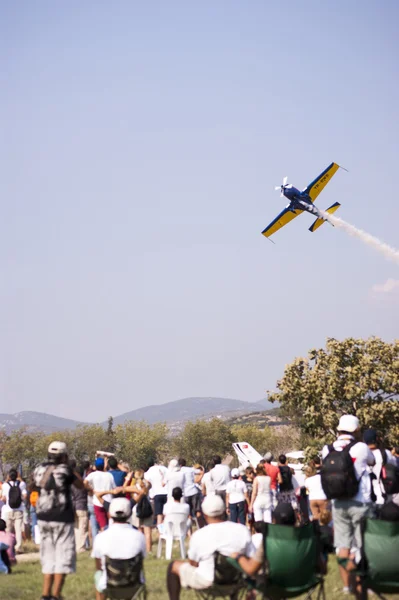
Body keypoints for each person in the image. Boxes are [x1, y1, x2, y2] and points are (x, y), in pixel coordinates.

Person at [322, 415, 375, 595]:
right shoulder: (361, 447)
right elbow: (372, 462)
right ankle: (361, 583)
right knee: (363, 546)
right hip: (360, 501)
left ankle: (346, 586)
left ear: (338, 430)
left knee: (342, 545)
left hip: (337, 503)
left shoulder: (327, 449)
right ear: (356, 430)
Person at [166, 494, 253, 599]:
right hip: (237, 581)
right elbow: (251, 558)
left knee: (174, 566)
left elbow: (193, 563)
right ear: (224, 510)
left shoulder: (199, 535)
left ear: (204, 514)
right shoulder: (242, 530)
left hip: (207, 581)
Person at [34, 440, 84, 600]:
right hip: (62, 517)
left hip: (43, 517)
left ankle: (45, 594)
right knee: (62, 556)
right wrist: (69, 466)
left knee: (48, 556)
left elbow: (34, 486)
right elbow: (80, 485)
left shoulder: (39, 469)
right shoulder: (65, 470)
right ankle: (56, 595)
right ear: (64, 456)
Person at [92, 497, 146, 600]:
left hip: (110, 584)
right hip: (134, 584)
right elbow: (141, 562)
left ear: (109, 514)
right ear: (129, 514)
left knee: (98, 574)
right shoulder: (139, 536)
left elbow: (99, 566)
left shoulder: (101, 537)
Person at [123, 469, 153, 554]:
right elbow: (149, 483)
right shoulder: (147, 485)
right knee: (148, 532)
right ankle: (149, 550)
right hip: (147, 509)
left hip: (137, 510)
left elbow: (123, 488)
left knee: (139, 531)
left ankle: (140, 549)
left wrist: (128, 479)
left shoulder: (134, 487)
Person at [363, 429, 397, 505]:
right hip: (385, 496)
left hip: (366, 498)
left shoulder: (362, 455)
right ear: (377, 439)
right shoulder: (386, 453)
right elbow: (395, 465)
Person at [84, 458, 115, 531]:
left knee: (102, 526)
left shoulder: (93, 475)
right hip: (108, 501)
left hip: (97, 502)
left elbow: (85, 482)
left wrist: (92, 490)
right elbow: (114, 487)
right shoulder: (109, 475)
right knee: (110, 525)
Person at [0, 469, 27, 554]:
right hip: (19, 510)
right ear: (17, 476)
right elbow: (25, 496)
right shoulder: (22, 484)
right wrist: (20, 499)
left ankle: (8, 547)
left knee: (8, 530)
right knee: (18, 529)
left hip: (8, 510)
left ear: (9, 476)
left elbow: (4, 498)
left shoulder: (5, 485)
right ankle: (18, 547)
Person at [70, 461, 89, 553]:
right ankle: (81, 547)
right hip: (82, 506)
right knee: (83, 527)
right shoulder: (83, 484)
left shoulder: (72, 484)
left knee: (76, 528)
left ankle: (75, 546)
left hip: (73, 507)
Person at [144, 460, 168, 525]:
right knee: (166, 513)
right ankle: (166, 526)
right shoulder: (163, 468)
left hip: (157, 493)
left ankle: (160, 528)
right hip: (167, 492)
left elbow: (147, 482)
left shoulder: (148, 472)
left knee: (159, 513)